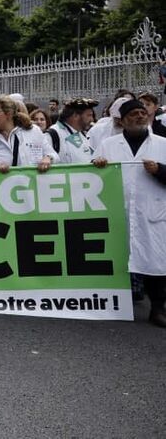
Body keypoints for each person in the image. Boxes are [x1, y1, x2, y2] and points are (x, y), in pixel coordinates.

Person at [92, 98, 166, 327]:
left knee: (155, 261)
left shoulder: (163, 144)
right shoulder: (109, 145)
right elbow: (90, 173)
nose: (139, 116)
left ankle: (157, 308)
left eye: (142, 112)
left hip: (152, 213)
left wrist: (159, 170)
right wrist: (97, 163)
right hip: (119, 213)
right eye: (133, 114)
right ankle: (117, 304)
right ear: (123, 121)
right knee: (118, 260)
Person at [0, 95, 55, 173]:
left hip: (29, 187)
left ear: (9, 114)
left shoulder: (33, 131)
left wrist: (48, 159)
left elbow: (53, 155)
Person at [47, 97, 98, 164]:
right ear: (75, 116)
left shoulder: (81, 134)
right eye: (89, 115)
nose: (92, 119)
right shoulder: (53, 134)